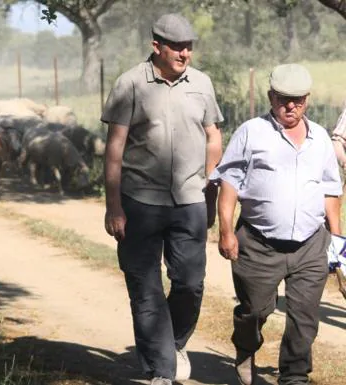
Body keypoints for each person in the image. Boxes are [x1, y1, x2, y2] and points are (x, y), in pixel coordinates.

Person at [101, 13, 224, 385]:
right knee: (145, 285)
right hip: (139, 201)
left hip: (189, 201)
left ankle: (173, 343)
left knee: (190, 281)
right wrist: (113, 205)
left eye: (189, 46)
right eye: (177, 46)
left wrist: (209, 180)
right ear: (157, 46)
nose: (185, 53)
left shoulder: (201, 83)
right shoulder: (130, 84)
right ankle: (160, 370)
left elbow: (214, 136)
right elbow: (114, 149)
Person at [209, 63, 342, 385]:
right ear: (271, 96)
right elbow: (229, 183)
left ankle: (294, 377)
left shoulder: (321, 138)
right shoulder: (251, 132)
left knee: (304, 318)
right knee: (255, 311)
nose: (290, 106)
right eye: (283, 99)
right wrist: (226, 231)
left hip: (311, 245)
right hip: (258, 243)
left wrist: (338, 249)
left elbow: (331, 192)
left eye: (298, 100)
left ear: (307, 100)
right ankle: (245, 347)